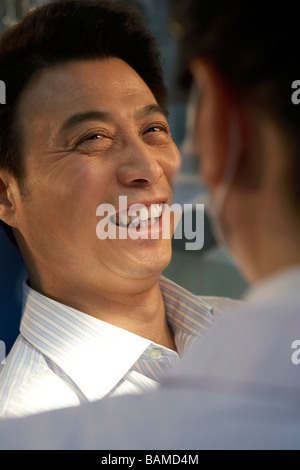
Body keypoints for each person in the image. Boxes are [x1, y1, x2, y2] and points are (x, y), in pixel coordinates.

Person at [1, 0, 300, 449]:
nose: (146, 166)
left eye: (154, 130)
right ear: (7, 195)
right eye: (92, 139)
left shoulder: (251, 328)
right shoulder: (27, 425)